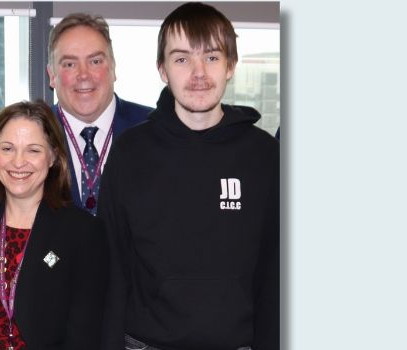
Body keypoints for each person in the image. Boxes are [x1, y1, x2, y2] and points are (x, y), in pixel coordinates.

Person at [98, 3, 279, 350]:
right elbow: (112, 271)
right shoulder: (130, 153)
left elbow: (276, 274)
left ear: (231, 66)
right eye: (182, 59)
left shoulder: (264, 155)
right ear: (162, 69)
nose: (198, 73)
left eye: (211, 57)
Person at [0, 100, 109, 349]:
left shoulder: (83, 232)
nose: (18, 162)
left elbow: (85, 335)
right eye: (7, 148)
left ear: (53, 157)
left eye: (33, 150)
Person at [47, 13, 154, 215]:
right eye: (70, 64)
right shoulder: (35, 134)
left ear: (113, 68)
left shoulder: (155, 128)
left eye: (95, 61)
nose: (84, 75)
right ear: (52, 76)